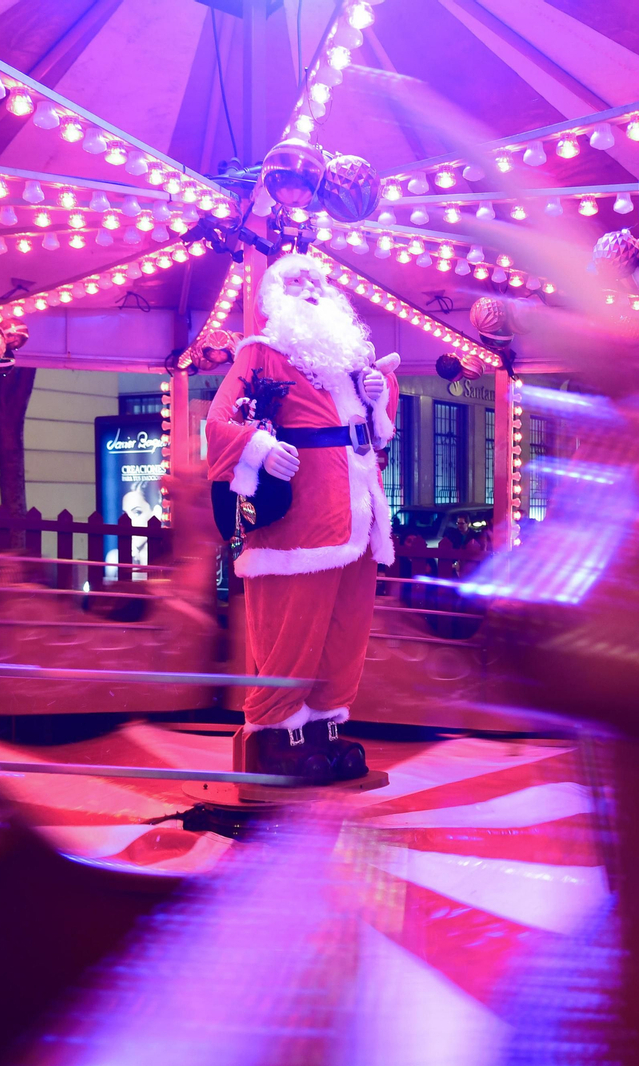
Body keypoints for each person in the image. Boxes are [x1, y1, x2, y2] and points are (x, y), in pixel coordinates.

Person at [204, 254, 399, 782]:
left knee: (345, 628)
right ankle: (278, 729)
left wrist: (380, 397)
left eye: (316, 280)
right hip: (299, 518)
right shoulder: (260, 355)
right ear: (274, 296)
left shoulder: (353, 359)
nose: (310, 287)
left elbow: (377, 431)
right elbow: (218, 423)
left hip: (358, 510)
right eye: (296, 280)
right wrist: (263, 449)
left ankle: (325, 727)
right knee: (292, 624)